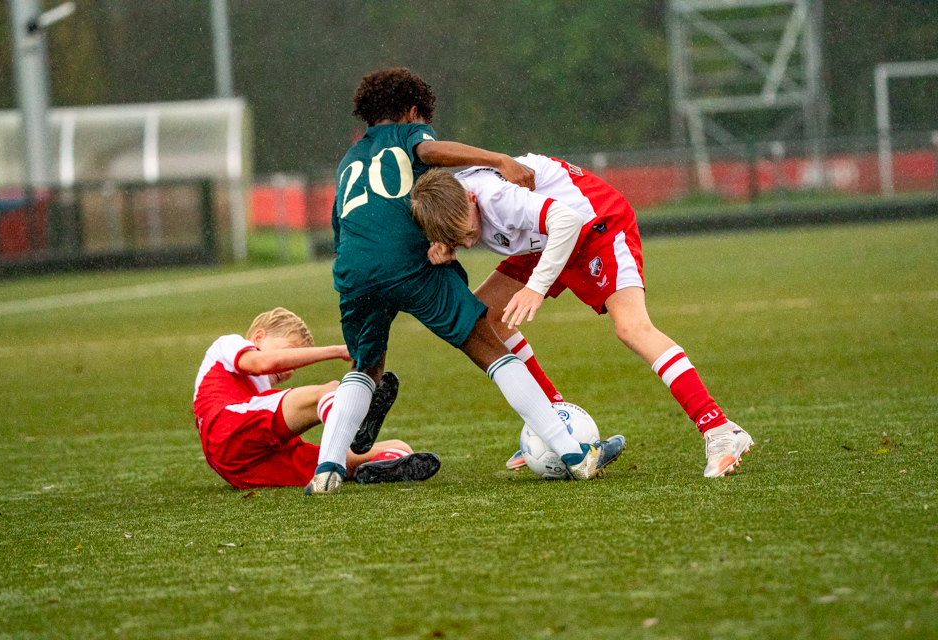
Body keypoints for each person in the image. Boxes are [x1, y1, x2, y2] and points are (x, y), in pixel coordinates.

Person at [306, 68, 625, 494]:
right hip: (407, 264)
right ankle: (575, 454)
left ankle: (326, 468)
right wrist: (496, 159)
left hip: (352, 268)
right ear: (412, 110)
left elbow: (342, 227)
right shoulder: (407, 133)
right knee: (489, 347)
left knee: (365, 366)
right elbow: (432, 150)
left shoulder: (348, 161)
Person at [409, 156, 755, 478]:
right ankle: (556, 424)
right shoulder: (450, 204)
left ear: (471, 198)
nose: (469, 243)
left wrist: (537, 287)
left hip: (596, 226)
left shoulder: (498, 198)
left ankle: (719, 428)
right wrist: (449, 242)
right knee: (483, 322)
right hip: (544, 240)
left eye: (468, 234)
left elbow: (567, 220)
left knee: (632, 328)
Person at [193, 307, 441, 489]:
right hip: (226, 430)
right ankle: (357, 422)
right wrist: (339, 351)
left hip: (247, 466)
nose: (290, 369)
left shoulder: (261, 397)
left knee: (398, 448)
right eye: (293, 353)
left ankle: (381, 464)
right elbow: (262, 363)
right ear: (259, 337)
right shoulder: (230, 345)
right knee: (330, 390)